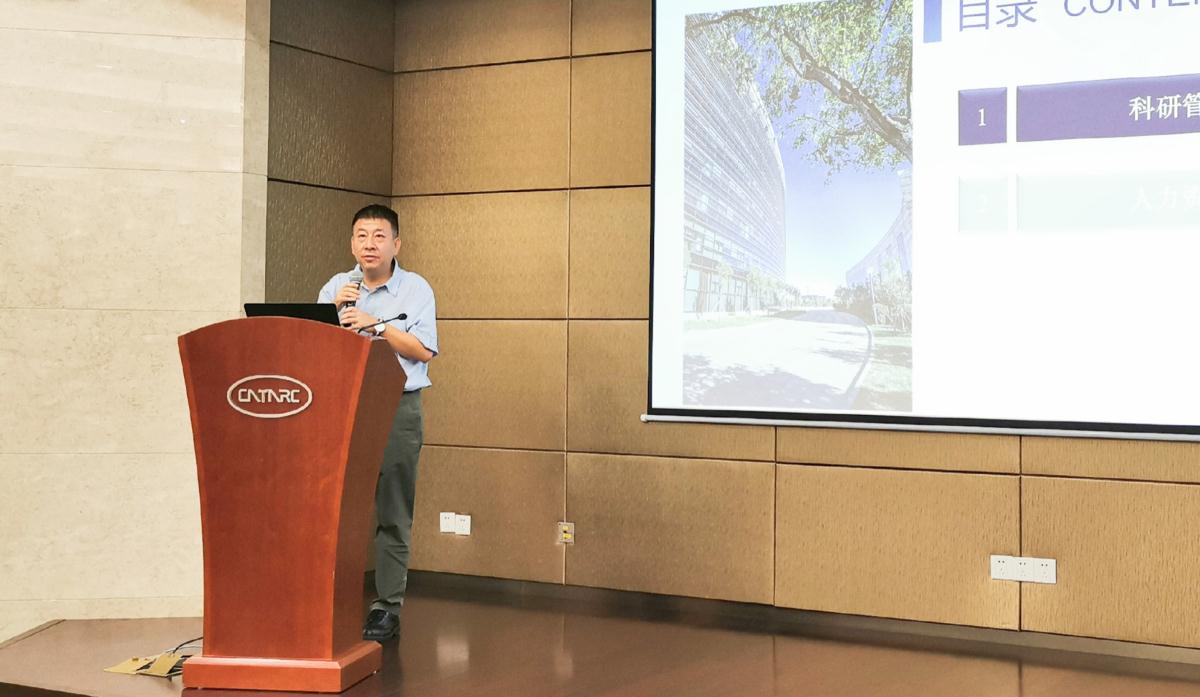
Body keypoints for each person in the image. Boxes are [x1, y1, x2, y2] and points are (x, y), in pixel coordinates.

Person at [317, 204, 437, 642]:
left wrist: (376, 326)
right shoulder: (337, 287)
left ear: (396, 244)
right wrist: (332, 314)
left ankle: (387, 606)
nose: (370, 244)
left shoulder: (415, 289)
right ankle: (331, 599)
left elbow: (423, 350)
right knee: (337, 508)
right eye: (362, 236)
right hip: (343, 405)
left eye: (379, 236)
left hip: (396, 407)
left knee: (392, 510)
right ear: (352, 244)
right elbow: (315, 350)